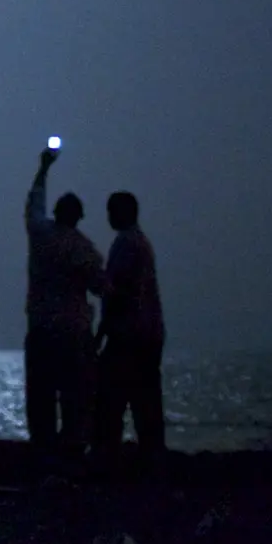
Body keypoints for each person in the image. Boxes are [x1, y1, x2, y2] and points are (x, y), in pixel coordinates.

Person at [23, 144, 104, 455]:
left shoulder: (41, 235)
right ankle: (71, 450)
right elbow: (101, 287)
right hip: (73, 330)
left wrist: (44, 168)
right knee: (74, 397)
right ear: (79, 218)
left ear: (57, 213)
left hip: (42, 326)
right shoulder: (85, 249)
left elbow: (34, 203)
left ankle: (42, 450)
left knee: (41, 397)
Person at [95, 191, 167, 459]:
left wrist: (101, 333)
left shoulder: (127, 244)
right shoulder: (138, 242)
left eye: (112, 211)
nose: (109, 217)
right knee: (145, 400)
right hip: (145, 334)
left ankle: (109, 455)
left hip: (130, 335)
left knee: (110, 399)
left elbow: (120, 292)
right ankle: (151, 454)